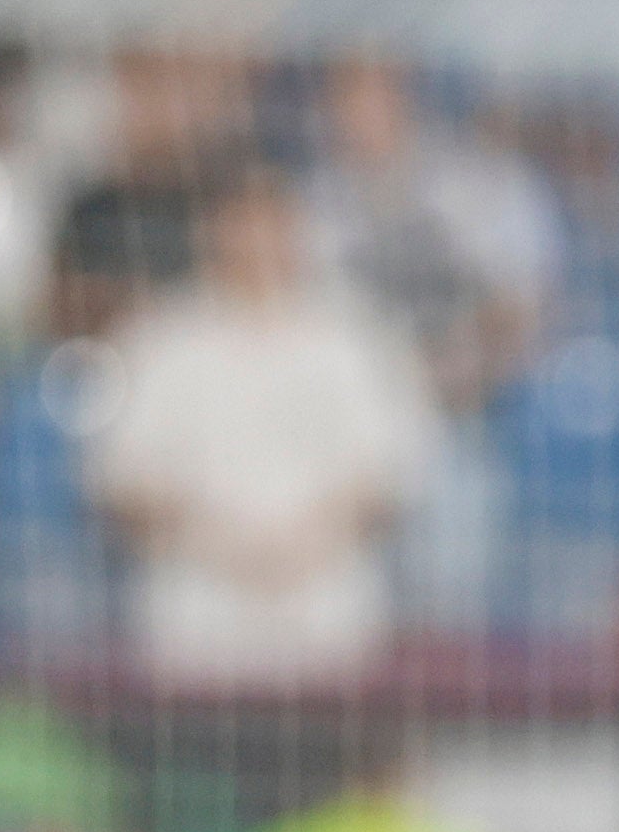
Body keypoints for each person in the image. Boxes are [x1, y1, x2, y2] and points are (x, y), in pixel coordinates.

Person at [91, 161, 438, 689]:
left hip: (326, 592)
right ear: (211, 232)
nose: (256, 240)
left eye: (270, 221)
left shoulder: (356, 334)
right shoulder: (159, 338)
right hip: (196, 594)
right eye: (240, 222)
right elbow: (122, 480)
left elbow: (390, 474)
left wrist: (303, 545)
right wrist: (223, 543)